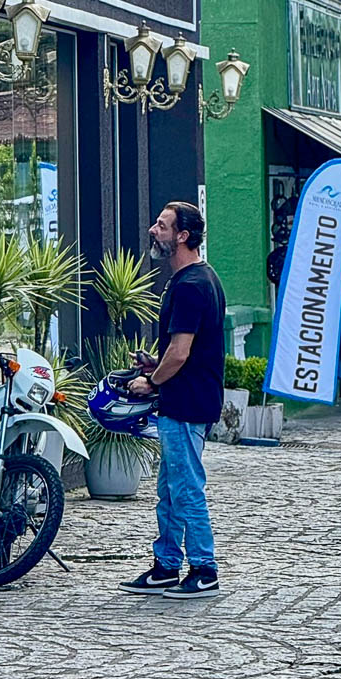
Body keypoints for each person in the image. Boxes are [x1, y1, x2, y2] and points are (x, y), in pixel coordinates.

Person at [120, 202, 225, 599]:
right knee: (170, 487)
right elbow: (182, 352)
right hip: (186, 398)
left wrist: (151, 381)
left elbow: (181, 353)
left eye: (162, 226)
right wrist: (154, 363)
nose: (153, 230)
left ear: (182, 236)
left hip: (186, 403)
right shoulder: (199, 279)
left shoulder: (190, 286)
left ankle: (204, 568)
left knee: (185, 487)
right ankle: (166, 565)